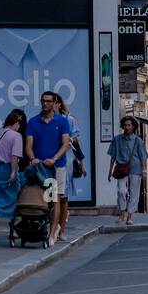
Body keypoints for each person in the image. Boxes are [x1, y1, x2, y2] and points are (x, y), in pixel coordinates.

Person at [25, 91, 73, 246]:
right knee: (40, 199)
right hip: (39, 167)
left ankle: (52, 233)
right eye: (43, 101)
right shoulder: (33, 122)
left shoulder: (62, 121)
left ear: (54, 103)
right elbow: (28, 146)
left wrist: (54, 159)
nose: (45, 104)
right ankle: (41, 228)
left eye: (48, 101)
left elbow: (65, 144)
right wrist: (33, 159)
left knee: (54, 199)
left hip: (56, 166)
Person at [0, 109, 26, 241]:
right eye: (19, 124)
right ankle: (14, 231)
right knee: (14, 198)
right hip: (9, 168)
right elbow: (15, 156)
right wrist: (13, 172)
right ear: (15, 123)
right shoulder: (16, 136)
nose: (19, 127)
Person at [108, 116, 147, 224]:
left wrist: (144, 171)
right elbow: (112, 156)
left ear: (133, 126)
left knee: (134, 193)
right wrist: (110, 171)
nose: (127, 127)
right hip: (121, 168)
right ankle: (122, 212)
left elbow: (143, 157)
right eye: (125, 125)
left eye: (129, 125)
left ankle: (130, 216)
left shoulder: (138, 141)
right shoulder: (117, 139)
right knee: (121, 191)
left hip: (136, 168)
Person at [56, 96, 85, 238]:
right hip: (49, 161)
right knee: (49, 196)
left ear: (59, 104)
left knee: (63, 196)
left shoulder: (69, 120)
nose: (48, 105)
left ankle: (61, 230)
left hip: (65, 162)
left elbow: (76, 140)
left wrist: (68, 140)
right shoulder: (43, 121)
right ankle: (52, 228)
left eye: (52, 102)